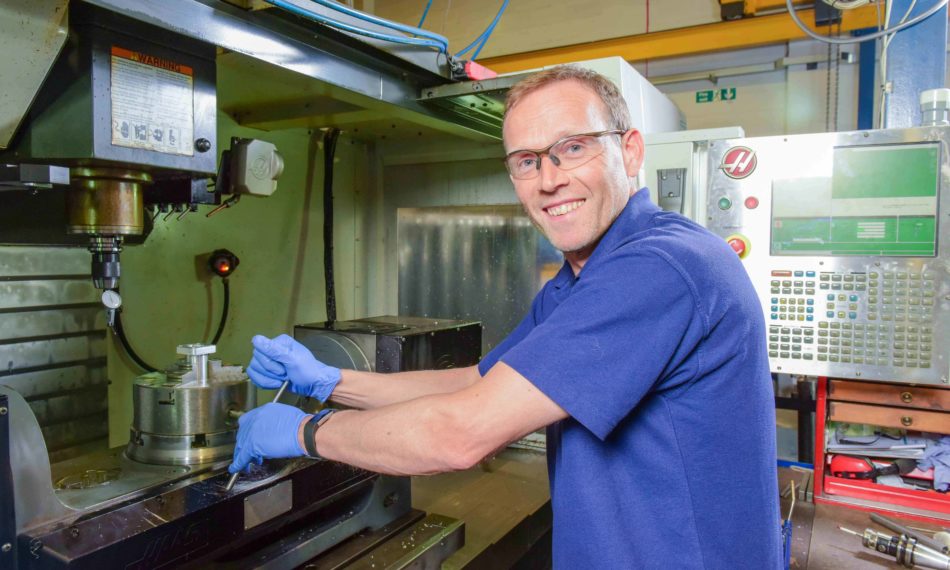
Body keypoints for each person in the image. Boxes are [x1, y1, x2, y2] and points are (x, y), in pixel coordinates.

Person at [229, 65, 782, 569]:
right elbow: (479, 383)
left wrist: (306, 431)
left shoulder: (660, 267)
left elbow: (460, 434)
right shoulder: (580, 280)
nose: (548, 179)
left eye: (572, 148)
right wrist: (331, 382)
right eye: (526, 160)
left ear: (630, 151)